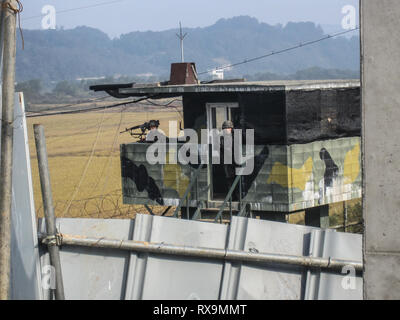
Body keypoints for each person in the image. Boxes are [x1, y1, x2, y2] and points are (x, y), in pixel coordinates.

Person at [220, 120, 239, 200]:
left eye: (228, 128)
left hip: (235, 161)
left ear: (231, 128)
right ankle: (232, 197)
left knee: (236, 180)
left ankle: (237, 196)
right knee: (229, 180)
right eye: (225, 128)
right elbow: (221, 149)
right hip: (227, 162)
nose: (226, 130)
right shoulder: (222, 138)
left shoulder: (235, 137)